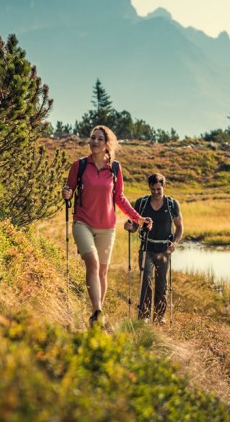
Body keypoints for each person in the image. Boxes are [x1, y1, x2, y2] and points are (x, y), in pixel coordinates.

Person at [62, 125, 152, 327]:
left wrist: (138, 218)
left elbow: (119, 197)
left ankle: (98, 317)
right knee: (92, 263)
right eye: (92, 137)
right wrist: (66, 193)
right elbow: (68, 189)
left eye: (99, 139)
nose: (94, 141)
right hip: (82, 223)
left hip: (107, 227)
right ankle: (97, 311)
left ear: (107, 144)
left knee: (102, 272)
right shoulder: (80, 166)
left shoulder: (115, 169)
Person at [125, 173, 183, 325]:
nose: (156, 192)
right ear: (149, 188)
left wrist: (174, 243)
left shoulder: (172, 204)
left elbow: (179, 228)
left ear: (164, 186)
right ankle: (144, 316)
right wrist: (130, 227)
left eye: (159, 189)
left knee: (162, 284)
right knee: (146, 280)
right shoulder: (142, 203)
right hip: (146, 248)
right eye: (153, 189)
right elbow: (135, 227)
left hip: (164, 250)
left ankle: (159, 317)